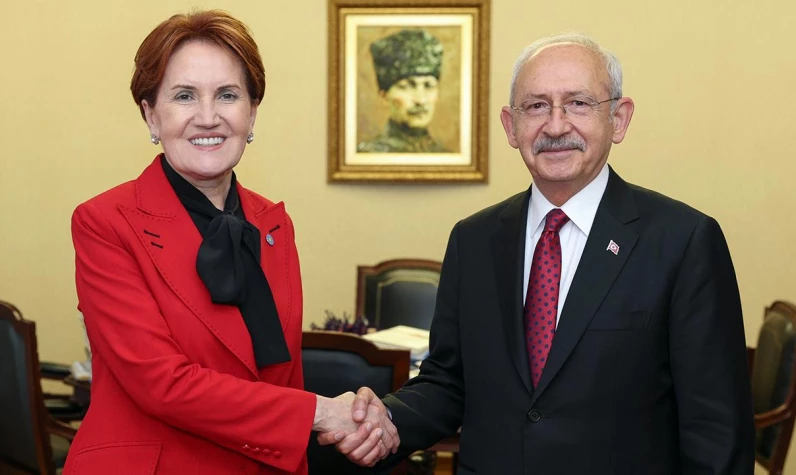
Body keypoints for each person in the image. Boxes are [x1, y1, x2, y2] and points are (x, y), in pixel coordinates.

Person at [320, 32, 755, 473]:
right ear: (511, 126)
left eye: (579, 103)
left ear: (619, 119)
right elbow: (449, 382)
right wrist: (385, 421)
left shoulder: (683, 240)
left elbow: (716, 430)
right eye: (536, 106)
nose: (556, 125)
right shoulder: (474, 239)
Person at [64, 10, 394, 474]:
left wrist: (356, 419)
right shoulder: (105, 223)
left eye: (227, 95)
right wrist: (320, 413)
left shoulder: (273, 224)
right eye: (184, 96)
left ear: (251, 112)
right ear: (151, 114)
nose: (208, 117)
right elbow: (161, 384)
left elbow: (282, 376)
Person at [356, 29, 449, 153]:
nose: (420, 100)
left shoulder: (445, 156)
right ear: (384, 96)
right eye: (407, 86)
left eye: (428, 86)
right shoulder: (367, 155)